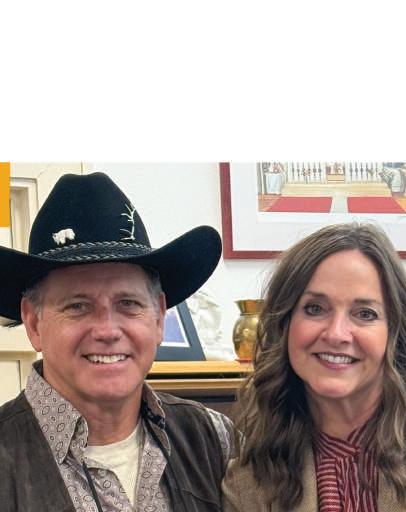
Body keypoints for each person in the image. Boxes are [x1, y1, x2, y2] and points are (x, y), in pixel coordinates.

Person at [222, 222, 406, 511]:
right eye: (314, 308)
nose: (336, 334)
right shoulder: (248, 482)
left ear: (394, 333)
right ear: (284, 324)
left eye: (365, 313)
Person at [0, 172, 234, 511]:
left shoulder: (216, 440)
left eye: (128, 303)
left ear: (159, 318)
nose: (108, 331)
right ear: (34, 324)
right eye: (77, 306)